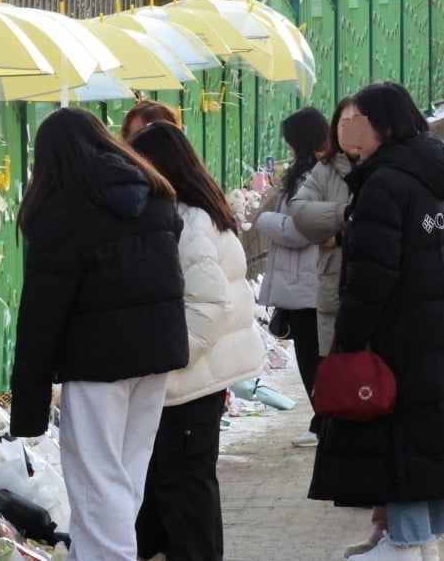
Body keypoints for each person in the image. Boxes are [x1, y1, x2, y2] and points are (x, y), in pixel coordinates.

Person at [309, 82, 444, 561]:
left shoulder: (385, 183)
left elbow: (371, 275)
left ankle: (404, 545)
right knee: (427, 435)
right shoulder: (430, 177)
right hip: (436, 330)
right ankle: (416, 539)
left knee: (403, 438)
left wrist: (349, 341)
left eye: (356, 119)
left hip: (399, 336)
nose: (347, 128)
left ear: (385, 124)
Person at [9, 107, 187, 560]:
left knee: (95, 477)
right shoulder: (156, 194)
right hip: (156, 354)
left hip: (97, 363)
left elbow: (41, 313)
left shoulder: (63, 213)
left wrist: (28, 396)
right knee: (127, 472)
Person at [129, 121, 266, 561]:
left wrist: (171, 359)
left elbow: (210, 304)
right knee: (186, 485)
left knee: (186, 490)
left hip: (190, 379)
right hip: (198, 377)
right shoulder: (195, 212)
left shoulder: (190, 221)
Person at [256, 106, 327, 447]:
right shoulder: (316, 175)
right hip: (307, 283)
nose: (286, 148)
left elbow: (300, 230)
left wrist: (264, 221)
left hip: (307, 285)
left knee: (313, 361)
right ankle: (323, 422)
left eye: (289, 141)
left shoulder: (311, 178)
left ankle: (325, 423)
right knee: (315, 360)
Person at [289, 97, 356, 362]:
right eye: (343, 123)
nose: (348, 130)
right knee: (337, 388)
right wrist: (347, 213)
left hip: (380, 297)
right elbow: (300, 213)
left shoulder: (389, 168)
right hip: (333, 291)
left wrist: (341, 234)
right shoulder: (325, 169)